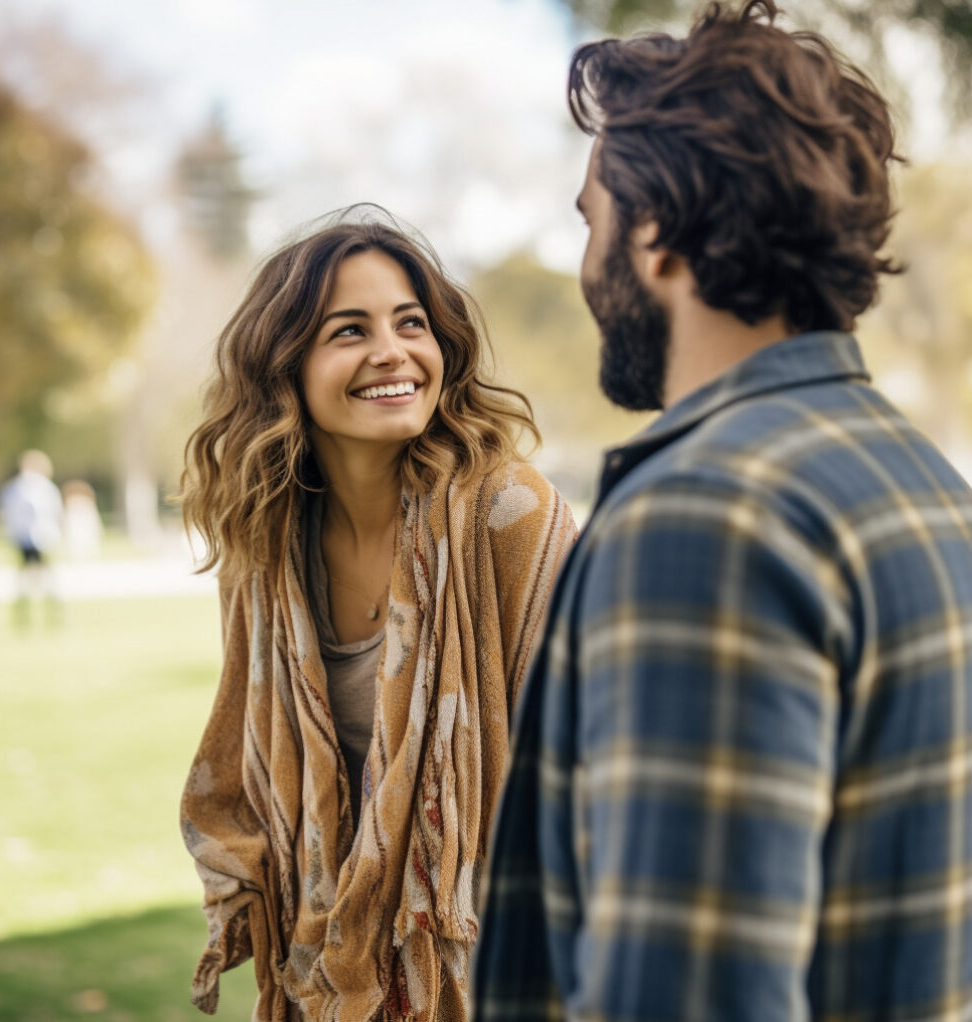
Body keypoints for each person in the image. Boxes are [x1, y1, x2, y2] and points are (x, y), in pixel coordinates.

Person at [473, 3, 972, 1020]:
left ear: (652, 230)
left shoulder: (704, 517)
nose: (583, 259)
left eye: (588, 217)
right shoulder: (927, 488)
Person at [179, 209, 577, 1022]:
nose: (391, 352)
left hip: (500, 965)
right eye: (349, 331)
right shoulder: (267, 550)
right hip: (322, 972)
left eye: (411, 324)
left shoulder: (509, 515)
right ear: (284, 365)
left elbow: (593, 763)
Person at [0, 449, 64, 626]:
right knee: (25, 580)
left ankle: (52, 617)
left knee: (46, 580)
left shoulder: (45, 488)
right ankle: (24, 618)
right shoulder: (17, 488)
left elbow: (55, 513)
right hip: (24, 539)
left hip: (43, 538)